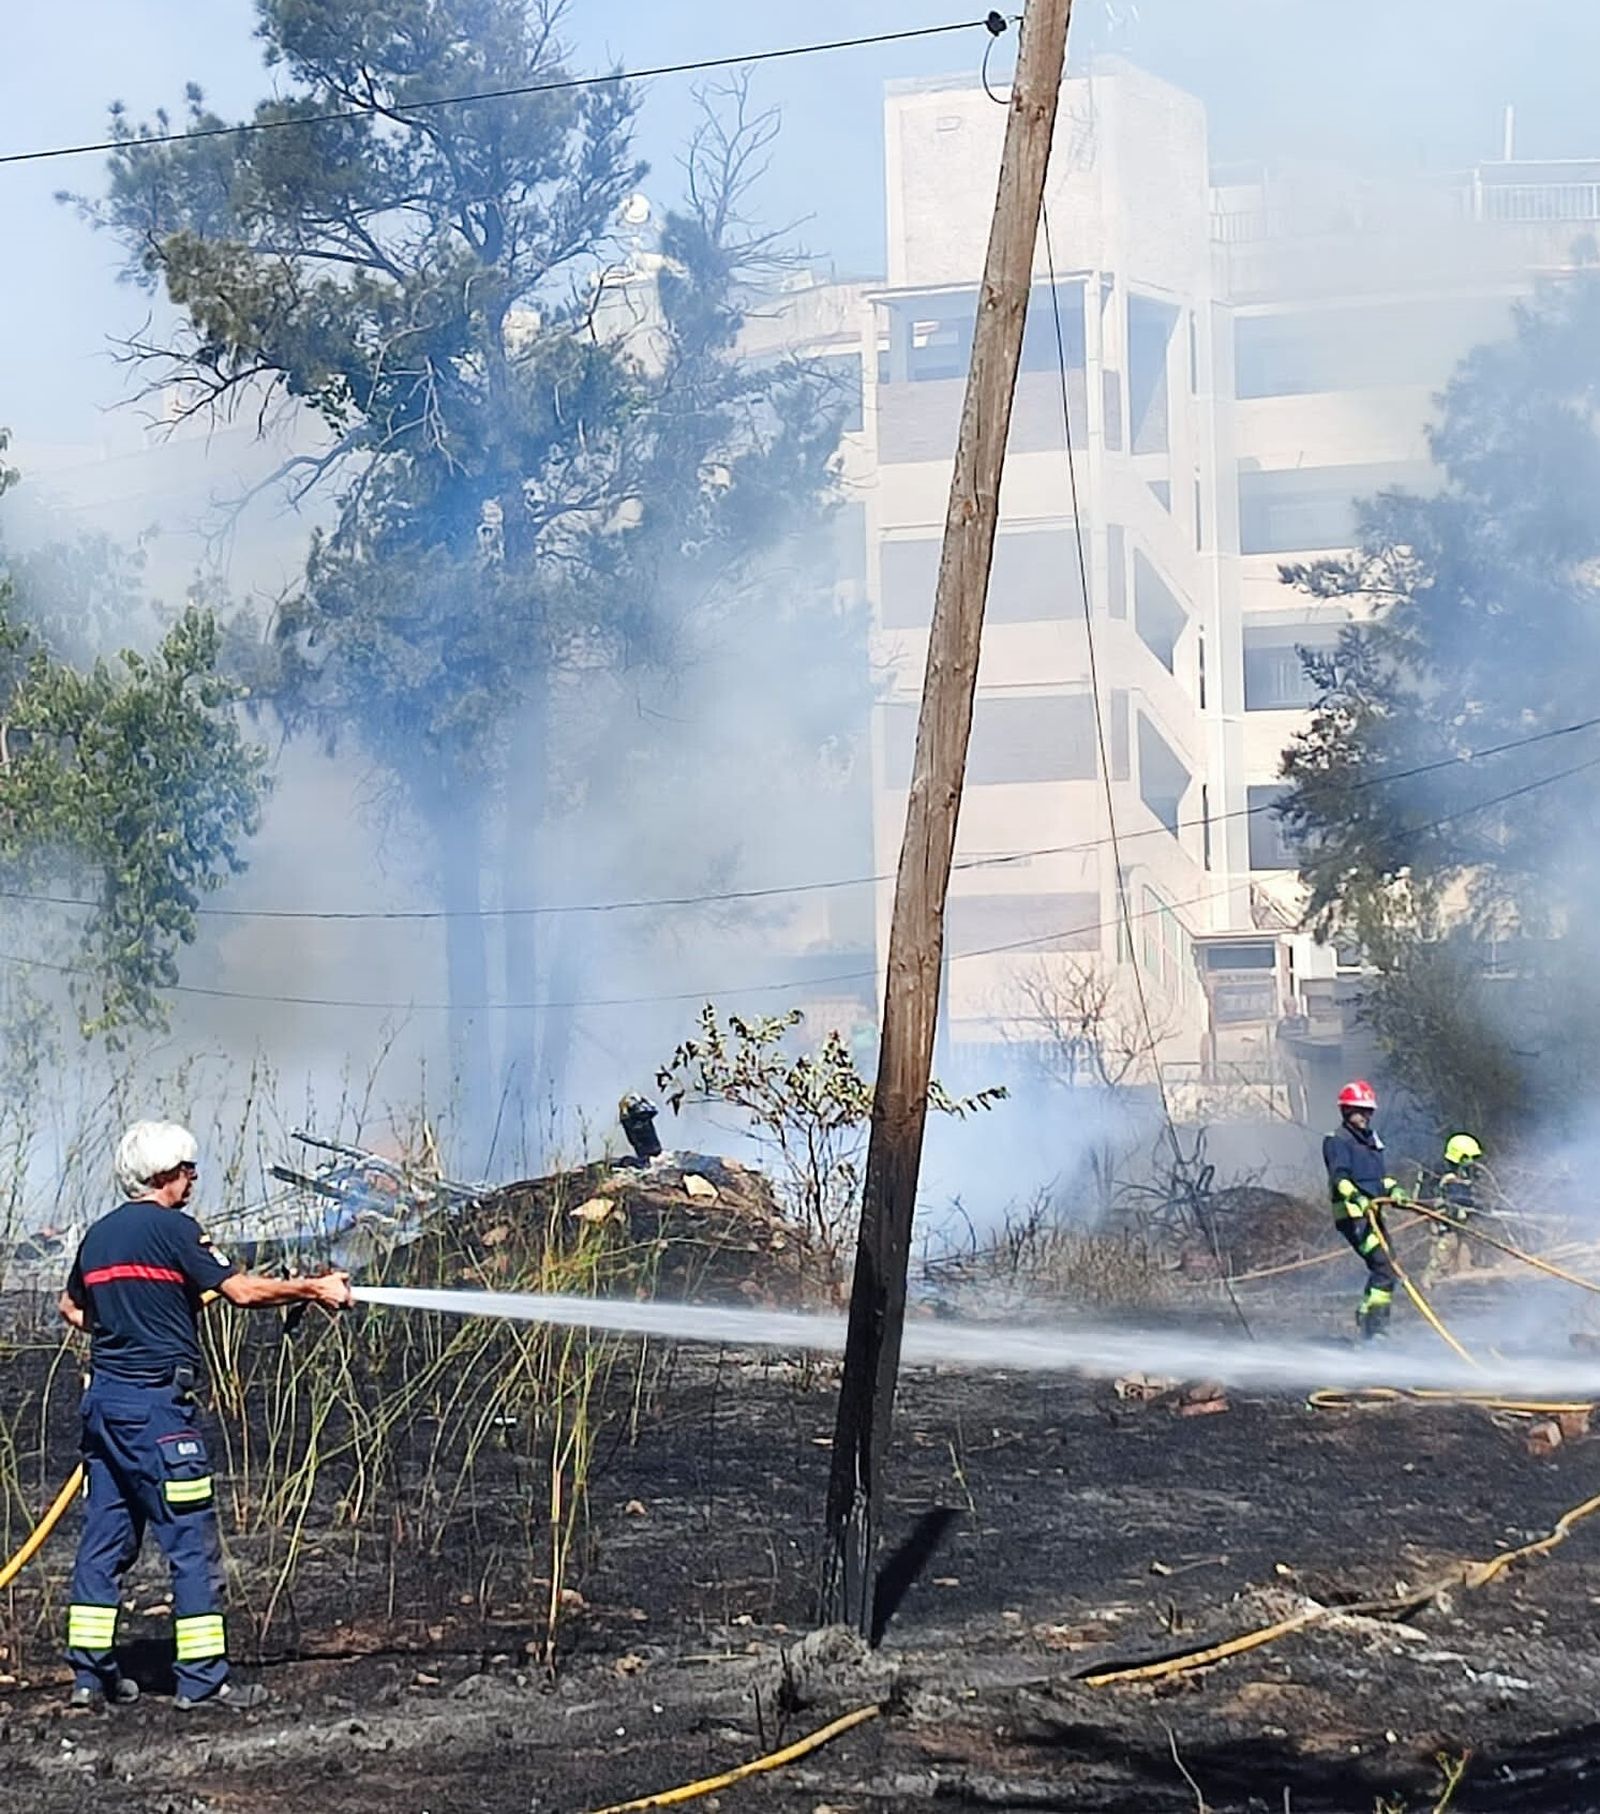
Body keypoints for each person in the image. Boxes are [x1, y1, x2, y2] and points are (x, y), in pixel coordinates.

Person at [59, 1120, 353, 1712]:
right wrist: (315, 1290)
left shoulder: (99, 1237)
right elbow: (241, 1292)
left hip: (106, 1410)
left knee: (103, 1546)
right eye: (187, 1168)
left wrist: (125, 1327)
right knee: (190, 1545)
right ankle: (203, 1682)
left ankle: (89, 1680)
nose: (194, 1177)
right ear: (163, 1174)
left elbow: (71, 1308)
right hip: (159, 1414)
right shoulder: (176, 1230)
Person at [1322, 1080, 1409, 1340]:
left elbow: (1378, 1177)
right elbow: (1340, 1178)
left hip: (1372, 1211)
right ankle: (1373, 1327)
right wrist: (1356, 1198)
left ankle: (1373, 1321)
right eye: (1362, 1111)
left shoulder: (1371, 1140)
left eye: (1369, 1111)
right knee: (1383, 1266)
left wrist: (1394, 1190)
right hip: (1353, 1215)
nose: (1367, 1116)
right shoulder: (1337, 1141)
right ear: (1347, 1111)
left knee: (1388, 1267)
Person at [1426, 1132, 1486, 1278]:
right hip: (1444, 1227)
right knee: (1441, 1261)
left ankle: (1459, 1292)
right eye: (1467, 1157)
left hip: (1462, 1225)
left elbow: (1470, 1197)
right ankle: (1430, 1289)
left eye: (1474, 1157)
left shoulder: (1467, 1174)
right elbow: (1455, 1198)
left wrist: (1479, 1206)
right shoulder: (1444, 1175)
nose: (1471, 1161)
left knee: (1465, 1261)